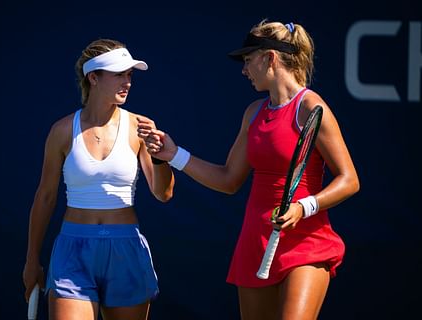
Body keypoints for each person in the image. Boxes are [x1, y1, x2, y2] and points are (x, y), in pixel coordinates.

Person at [138, 20, 359, 320]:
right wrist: (174, 154)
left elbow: (349, 180)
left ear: (270, 58)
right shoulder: (253, 113)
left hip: (306, 241)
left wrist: (303, 207)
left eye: (248, 60)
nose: (244, 70)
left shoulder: (310, 107)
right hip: (256, 241)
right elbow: (229, 179)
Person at [22, 38, 175, 320]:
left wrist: (158, 156)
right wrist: (32, 260)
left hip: (126, 250)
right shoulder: (62, 130)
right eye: (119, 74)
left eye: (129, 75)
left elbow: (163, 194)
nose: (127, 82)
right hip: (73, 252)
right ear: (93, 77)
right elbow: (45, 196)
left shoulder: (139, 127)